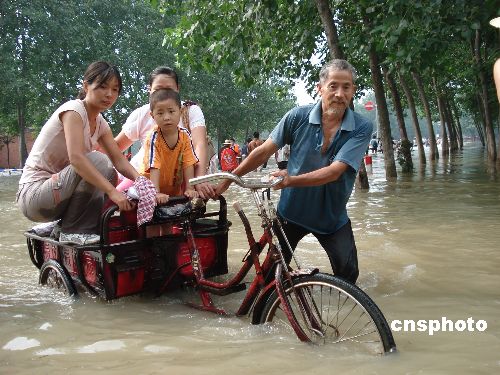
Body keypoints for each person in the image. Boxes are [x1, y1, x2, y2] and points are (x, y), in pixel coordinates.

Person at [216, 59, 372, 284]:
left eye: (346, 87)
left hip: (331, 219)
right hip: (291, 214)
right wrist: (230, 179)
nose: (339, 93)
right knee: (270, 279)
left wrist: (290, 180)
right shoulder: (297, 117)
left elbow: (335, 172)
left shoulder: (361, 127)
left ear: (353, 91)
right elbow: (263, 152)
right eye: (333, 86)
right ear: (320, 88)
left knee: (349, 276)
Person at [16, 61, 140, 245]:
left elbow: (119, 160)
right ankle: (73, 230)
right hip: (34, 196)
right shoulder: (73, 110)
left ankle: (66, 226)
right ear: (86, 85)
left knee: (110, 173)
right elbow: (77, 159)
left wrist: (144, 183)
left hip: (57, 195)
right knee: (98, 160)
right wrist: (113, 192)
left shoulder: (100, 123)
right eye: (103, 87)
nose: (109, 94)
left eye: (115, 89)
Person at [114, 66, 215, 198]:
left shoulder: (190, 111)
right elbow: (115, 147)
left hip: (180, 178)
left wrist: (200, 179)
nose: (166, 117)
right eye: (158, 90)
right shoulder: (143, 114)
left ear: (177, 89)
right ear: (149, 89)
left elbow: (199, 145)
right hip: (143, 175)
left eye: (169, 89)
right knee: (114, 201)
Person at [138, 89, 198, 203]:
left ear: (180, 112)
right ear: (152, 116)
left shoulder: (185, 135)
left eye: (171, 111)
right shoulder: (154, 137)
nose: (166, 117)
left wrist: (190, 188)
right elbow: (154, 166)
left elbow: (188, 163)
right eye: (160, 113)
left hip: (173, 189)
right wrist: (155, 192)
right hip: (150, 188)